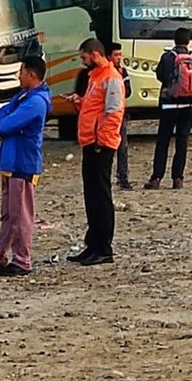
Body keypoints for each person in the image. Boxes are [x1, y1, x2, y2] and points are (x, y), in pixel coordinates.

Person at [0, 56, 49, 277]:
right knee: (8, 213)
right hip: (11, 162)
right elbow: (5, 114)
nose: (19, 75)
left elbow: (4, 125)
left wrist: (7, 118)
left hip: (23, 163)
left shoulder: (35, 102)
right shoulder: (25, 97)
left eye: (22, 71)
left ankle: (22, 259)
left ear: (31, 74)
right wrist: (9, 113)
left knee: (21, 213)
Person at [68, 39, 125, 266]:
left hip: (101, 143)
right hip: (91, 141)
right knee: (92, 195)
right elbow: (95, 108)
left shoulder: (111, 78)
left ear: (94, 54)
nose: (83, 62)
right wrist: (79, 103)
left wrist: (101, 140)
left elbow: (113, 113)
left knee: (101, 196)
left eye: (84, 57)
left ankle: (103, 247)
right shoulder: (96, 77)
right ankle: (93, 244)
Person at [146, 27, 192, 190]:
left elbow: (160, 75)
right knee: (182, 142)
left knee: (163, 141)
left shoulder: (167, 57)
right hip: (188, 104)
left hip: (169, 104)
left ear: (174, 40)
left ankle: (156, 178)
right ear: (188, 41)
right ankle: (178, 178)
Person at [110, 43, 133, 190]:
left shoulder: (122, 72)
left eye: (120, 55)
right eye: (116, 55)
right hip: (107, 117)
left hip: (120, 114)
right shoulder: (102, 74)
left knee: (122, 148)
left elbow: (129, 91)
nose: (119, 58)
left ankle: (123, 177)